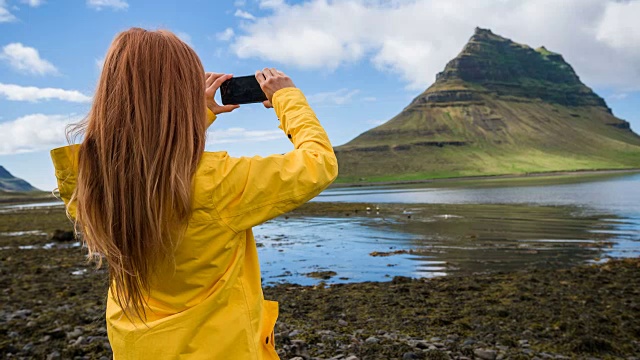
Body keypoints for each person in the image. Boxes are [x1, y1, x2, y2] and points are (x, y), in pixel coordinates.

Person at [50, 28, 338, 359]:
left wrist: (197, 115)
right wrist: (287, 98)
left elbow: (151, 160)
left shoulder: (88, 180)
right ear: (180, 96)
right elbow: (319, 163)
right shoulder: (217, 181)